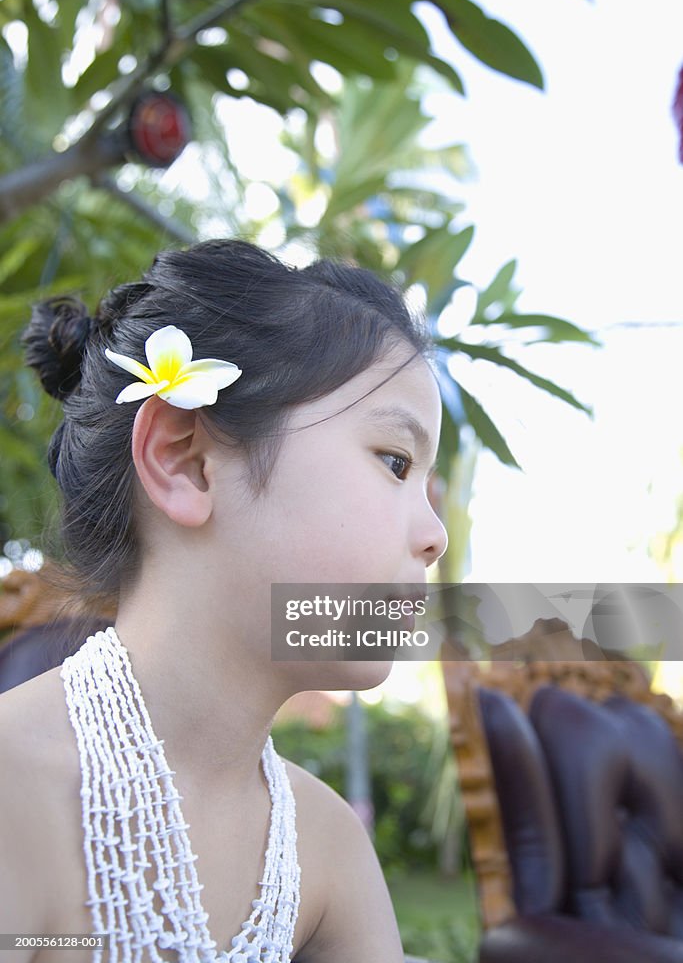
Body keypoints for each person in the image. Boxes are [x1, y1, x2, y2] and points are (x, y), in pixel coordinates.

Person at [0, 239, 448, 962]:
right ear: (186, 459)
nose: (435, 538)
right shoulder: (12, 797)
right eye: (395, 461)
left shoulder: (324, 848)